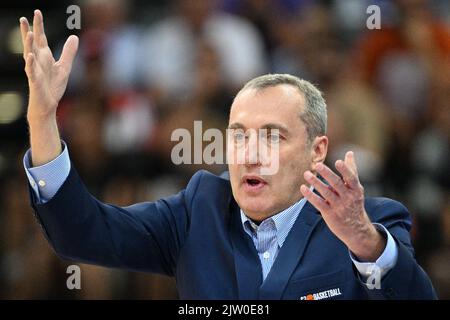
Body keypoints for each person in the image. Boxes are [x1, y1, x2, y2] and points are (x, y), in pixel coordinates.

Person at [20, 10, 436, 299]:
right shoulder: (198, 210)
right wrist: (42, 118)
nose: (251, 155)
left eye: (272, 137)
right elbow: (82, 233)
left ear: (317, 151)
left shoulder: (371, 224)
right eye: (240, 137)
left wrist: (364, 242)